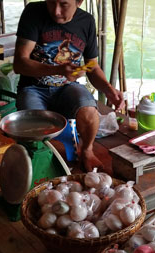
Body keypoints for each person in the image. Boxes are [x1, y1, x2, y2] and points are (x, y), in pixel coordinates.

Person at [13, 0, 124, 172]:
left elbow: (91, 66)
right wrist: (57, 69)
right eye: (51, 2)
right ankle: (40, 165)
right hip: (33, 88)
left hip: (66, 87)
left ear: (79, 1)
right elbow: (20, 64)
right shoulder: (33, 12)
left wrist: (108, 89)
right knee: (33, 132)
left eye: (63, 4)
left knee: (89, 111)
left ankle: (87, 151)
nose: (56, 11)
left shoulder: (86, 21)